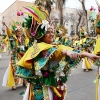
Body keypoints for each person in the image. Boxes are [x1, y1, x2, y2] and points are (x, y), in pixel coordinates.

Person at [14, 5, 100, 100]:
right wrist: (66, 51)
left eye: (52, 32)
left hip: (51, 84)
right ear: (40, 35)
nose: (51, 34)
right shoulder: (38, 47)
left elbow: (62, 48)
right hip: (41, 88)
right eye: (48, 32)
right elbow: (56, 51)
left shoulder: (53, 45)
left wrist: (85, 54)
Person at [2, 21, 28, 89]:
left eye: (20, 31)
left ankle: (24, 82)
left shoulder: (23, 38)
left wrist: (24, 48)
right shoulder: (12, 38)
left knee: (24, 68)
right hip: (15, 56)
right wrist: (6, 26)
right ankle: (15, 83)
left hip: (22, 55)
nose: (19, 32)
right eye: (18, 31)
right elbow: (9, 33)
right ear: (15, 32)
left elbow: (25, 44)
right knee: (15, 69)